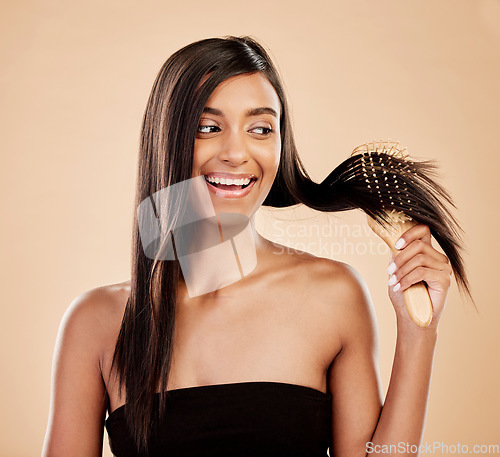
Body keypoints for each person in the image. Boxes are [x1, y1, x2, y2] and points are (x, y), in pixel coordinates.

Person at [42, 36, 461, 457]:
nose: (237, 153)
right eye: (209, 127)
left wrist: (417, 334)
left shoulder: (332, 296)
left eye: (260, 129)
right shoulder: (95, 322)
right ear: (165, 139)